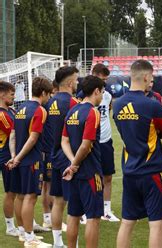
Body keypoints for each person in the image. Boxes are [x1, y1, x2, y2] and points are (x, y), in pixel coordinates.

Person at [113, 60, 162, 248]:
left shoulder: (118, 104)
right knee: (156, 224)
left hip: (129, 170)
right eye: (151, 78)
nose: (151, 81)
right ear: (146, 77)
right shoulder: (151, 105)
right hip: (152, 170)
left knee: (127, 221)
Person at [61, 75, 105, 248]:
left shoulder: (72, 110)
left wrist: (72, 163)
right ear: (95, 91)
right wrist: (75, 164)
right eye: (101, 92)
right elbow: (86, 145)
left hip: (75, 172)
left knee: (73, 214)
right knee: (93, 218)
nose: (102, 95)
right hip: (89, 172)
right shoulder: (93, 112)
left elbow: (64, 141)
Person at [8, 77, 52, 247]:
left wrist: (14, 155)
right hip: (31, 160)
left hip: (19, 159)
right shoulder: (39, 110)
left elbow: (13, 134)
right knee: (30, 197)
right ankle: (29, 238)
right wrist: (18, 158)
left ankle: (22, 232)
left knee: (20, 196)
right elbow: (33, 138)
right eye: (48, 95)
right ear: (43, 93)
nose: (49, 98)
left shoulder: (20, 108)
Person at [78, 64, 120, 222]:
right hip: (89, 141)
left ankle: (106, 210)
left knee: (107, 175)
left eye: (106, 81)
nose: (104, 84)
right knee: (88, 175)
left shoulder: (107, 96)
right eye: (102, 80)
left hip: (105, 140)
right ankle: (83, 210)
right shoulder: (82, 95)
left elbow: (107, 113)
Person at [43, 66, 79, 247]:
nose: (78, 82)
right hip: (69, 157)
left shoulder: (50, 102)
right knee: (73, 204)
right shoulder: (73, 103)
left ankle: (58, 242)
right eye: (77, 79)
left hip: (54, 155)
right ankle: (74, 243)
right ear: (71, 82)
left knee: (57, 200)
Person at [0, 81, 19, 236]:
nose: (14, 97)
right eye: (12, 94)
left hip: (12, 154)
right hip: (6, 156)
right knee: (11, 191)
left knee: (16, 191)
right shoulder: (2, 114)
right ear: (2, 94)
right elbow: (14, 132)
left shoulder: (10, 110)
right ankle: (10, 226)